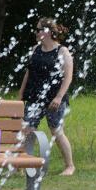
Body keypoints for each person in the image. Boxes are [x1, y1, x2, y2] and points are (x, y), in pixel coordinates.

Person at [18, 17, 75, 176]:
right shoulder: (36, 49)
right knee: (28, 130)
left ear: (48, 32)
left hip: (54, 100)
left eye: (38, 30)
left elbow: (68, 77)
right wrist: (21, 92)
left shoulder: (62, 51)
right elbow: (28, 72)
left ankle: (70, 166)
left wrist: (58, 97)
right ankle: (24, 164)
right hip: (35, 97)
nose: (36, 33)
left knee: (56, 131)